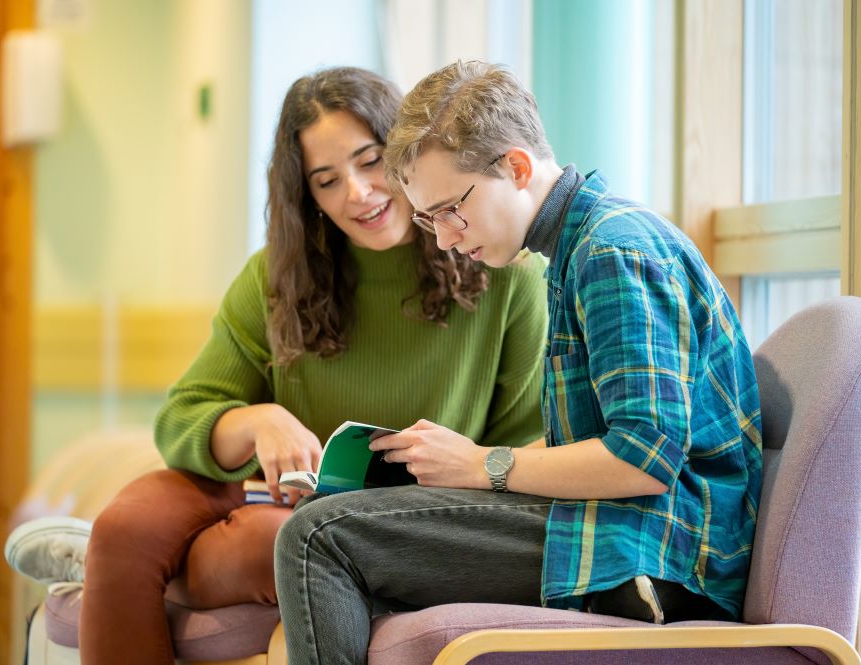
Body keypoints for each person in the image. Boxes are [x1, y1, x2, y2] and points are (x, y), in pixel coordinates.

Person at [4, 66, 548, 665]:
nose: (359, 193)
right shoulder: (276, 276)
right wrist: (259, 421)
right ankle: (106, 552)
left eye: (371, 161)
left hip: (390, 518)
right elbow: (181, 420)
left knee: (270, 544)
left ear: (409, 153)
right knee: (124, 527)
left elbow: (519, 448)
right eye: (327, 180)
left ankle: (99, 564)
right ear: (307, 197)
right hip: (273, 493)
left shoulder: (504, 273)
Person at [273, 60, 763, 665]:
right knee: (327, 514)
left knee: (316, 538)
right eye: (429, 219)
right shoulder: (576, 247)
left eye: (451, 209)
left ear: (516, 167)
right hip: (625, 529)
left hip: (655, 551)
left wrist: (484, 463)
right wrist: (452, 465)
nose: (446, 239)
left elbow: (645, 458)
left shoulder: (614, 251)